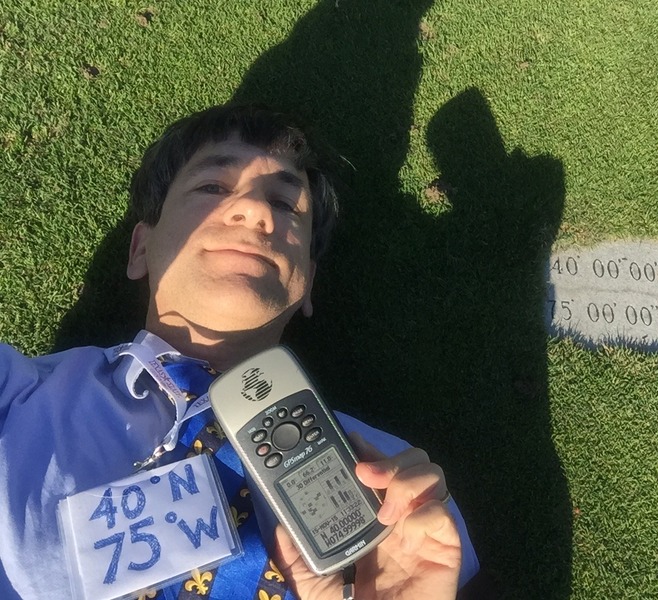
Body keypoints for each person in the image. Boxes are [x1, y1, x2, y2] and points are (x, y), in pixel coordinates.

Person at [0, 104, 479, 599]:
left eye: (285, 203)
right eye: (212, 188)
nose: (256, 211)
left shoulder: (397, 494)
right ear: (140, 248)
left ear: (307, 283)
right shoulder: (13, 395)